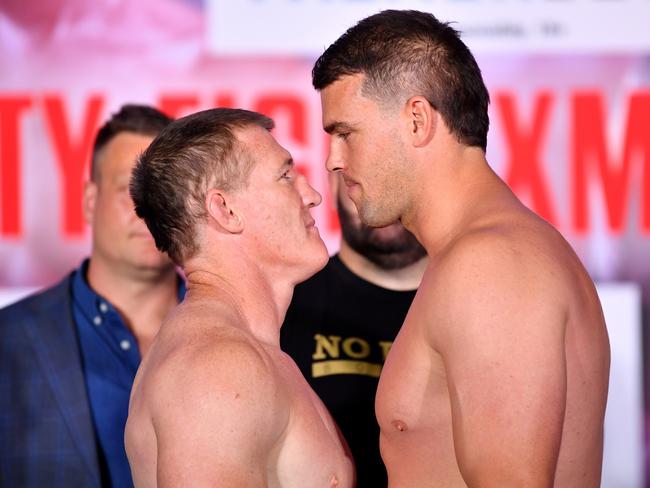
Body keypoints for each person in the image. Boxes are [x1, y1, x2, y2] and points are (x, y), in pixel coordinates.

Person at [312, 9, 610, 487]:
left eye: (345, 134)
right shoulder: (490, 254)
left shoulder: (490, 265)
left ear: (416, 120)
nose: (332, 161)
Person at [125, 108, 354, 487]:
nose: (312, 195)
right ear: (225, 210)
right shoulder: (217, 368)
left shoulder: (242, 353)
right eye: (285, 176)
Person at [0, 104, 183, 487]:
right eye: (129, 190)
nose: (147, 211)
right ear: (89, 201)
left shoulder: (246, 329)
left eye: (163, 191)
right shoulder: (8, 341)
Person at [281, 171, 427, 487]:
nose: (382, 203)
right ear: (333, 184)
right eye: (362, 182)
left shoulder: (478, 306)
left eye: (397, 182)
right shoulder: (284, 306)